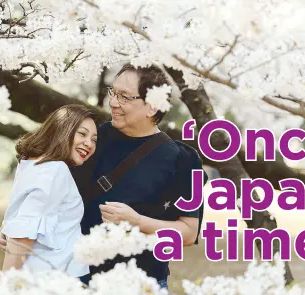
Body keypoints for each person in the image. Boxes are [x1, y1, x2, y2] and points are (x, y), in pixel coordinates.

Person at [70, 64, 206, 289]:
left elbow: (189, 233)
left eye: (124, 97)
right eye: (113, 92)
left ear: (152, 106)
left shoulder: (184, 160)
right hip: (78, 277)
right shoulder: (92, 138)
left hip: (141, 283)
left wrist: (137, 221)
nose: (113, 102)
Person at [0, 104, 98, 281]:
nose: (89, 143)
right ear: (62, 129)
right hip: (54, 278)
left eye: (94, 139)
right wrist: (5, 283)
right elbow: (24, 233)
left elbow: (21, 215)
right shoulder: (55, 170)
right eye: (82, 134)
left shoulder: (31, 163)